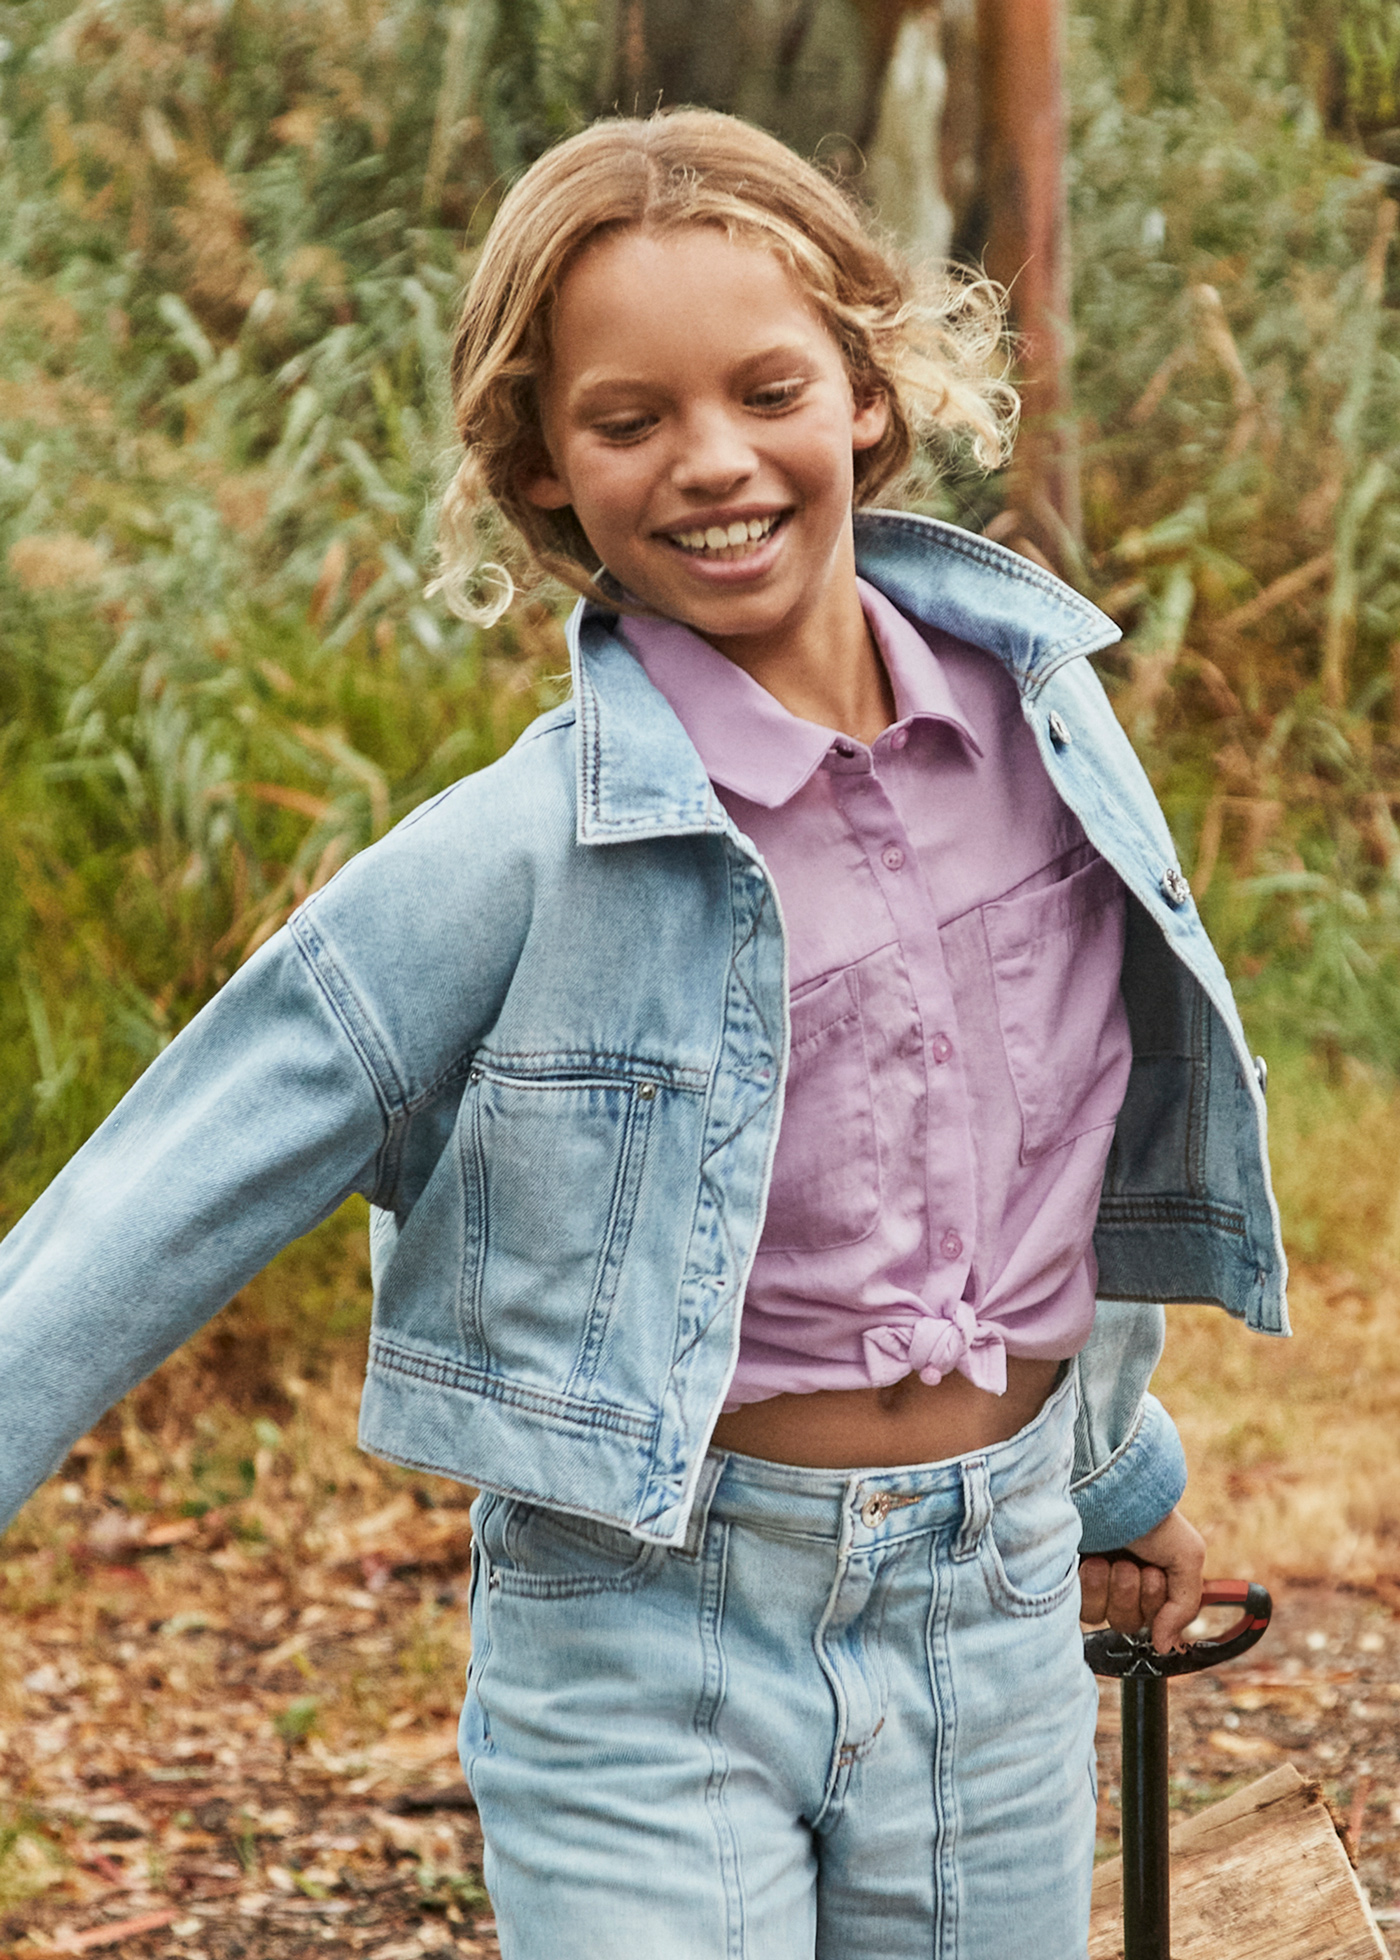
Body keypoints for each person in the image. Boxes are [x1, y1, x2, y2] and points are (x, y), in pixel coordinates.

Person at [0, 109, 1286, 1959]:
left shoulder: (1050, 750)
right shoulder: (516, 856)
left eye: (768, 388)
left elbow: (1025, 1161)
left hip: (992, 1625)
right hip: (646, 1639)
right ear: (543, 468)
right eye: (628, 421)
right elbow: (157, 1193)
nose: (712, 463)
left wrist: (1116, 1473)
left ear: (864, 384)